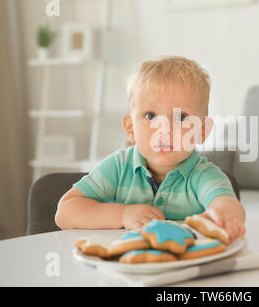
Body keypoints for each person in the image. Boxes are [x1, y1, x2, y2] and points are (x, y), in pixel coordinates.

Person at [55, 56, 245, 243]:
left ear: (202, 130)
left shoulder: (203, 175)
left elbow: (227, 205)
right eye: (150, 115)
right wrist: (122, 214)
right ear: (130, 128)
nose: (165, 129)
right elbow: (65, 212)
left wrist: (221, 216)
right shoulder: (118, 167)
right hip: (124, 268)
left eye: (181, 118)